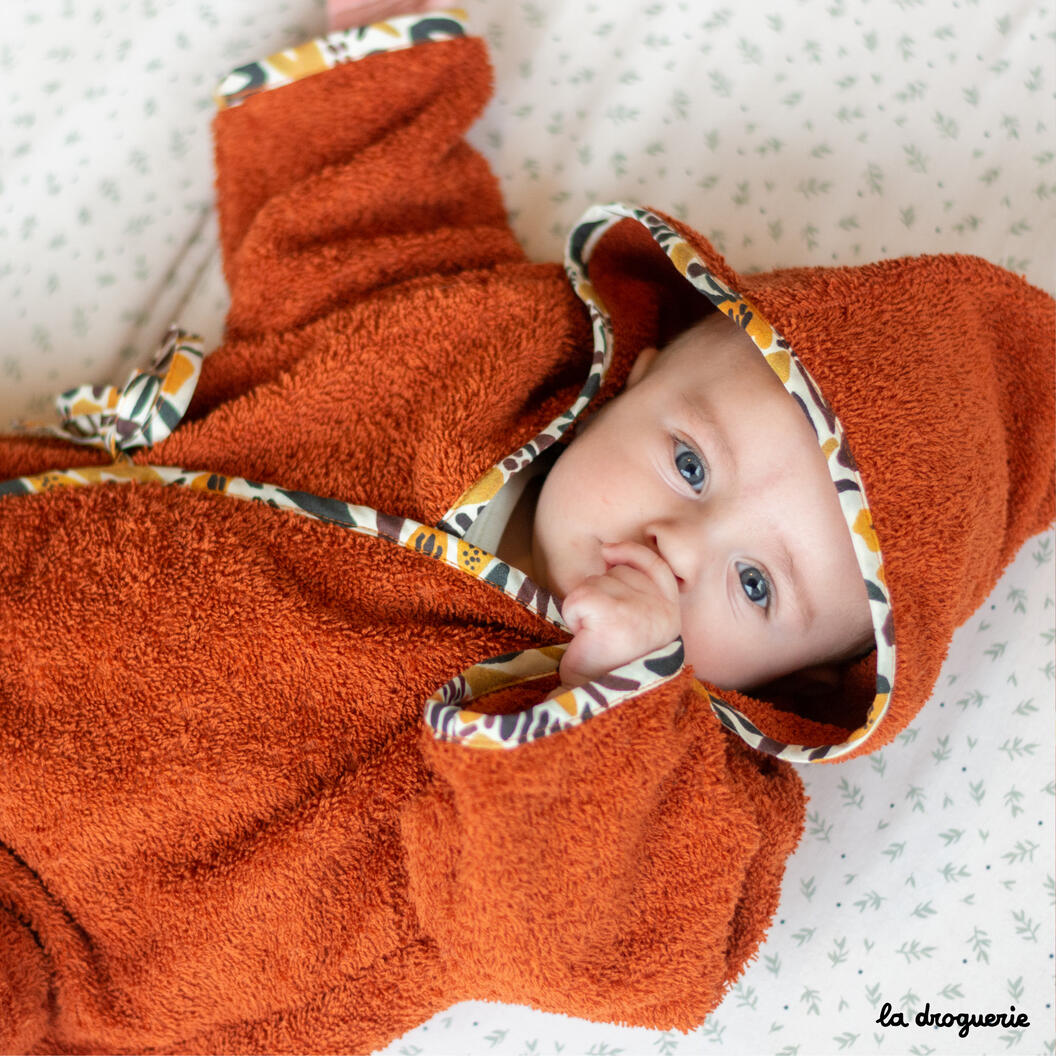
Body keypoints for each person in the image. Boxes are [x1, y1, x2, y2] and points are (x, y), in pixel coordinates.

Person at [0, 2, 1052, 1053]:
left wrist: (612, 698)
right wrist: (387, 43)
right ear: (641, 370)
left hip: (75, 936)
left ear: (798, 686)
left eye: (757, 587)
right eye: (689, 464)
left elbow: (585, 942)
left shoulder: (682, 796)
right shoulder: (485, 346)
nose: (680, 546)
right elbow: (360, 224)